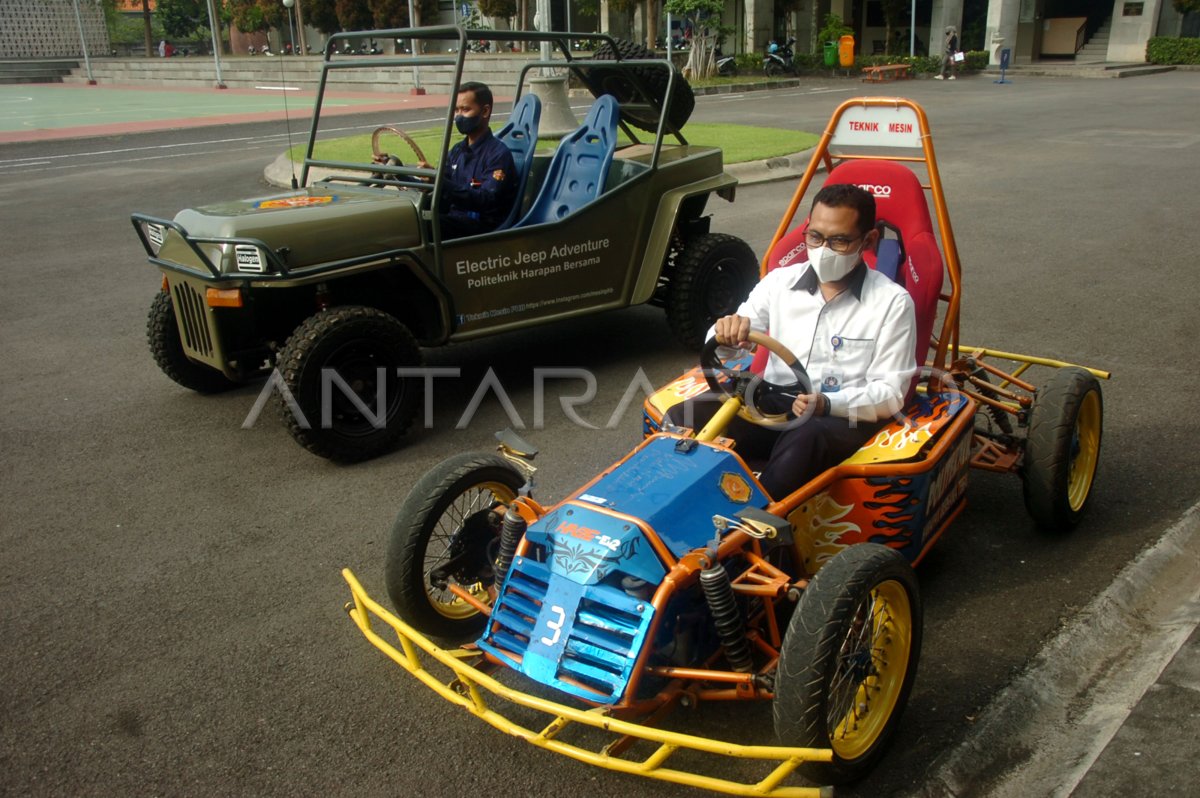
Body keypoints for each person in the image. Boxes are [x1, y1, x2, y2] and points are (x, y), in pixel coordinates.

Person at [664, 184, 918, 500]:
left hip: (836, 415)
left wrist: (828, 402)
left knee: (805, 438)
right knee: (681, 417)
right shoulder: (780, 283)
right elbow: (723, 345)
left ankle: (753, 530)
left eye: (838, 240)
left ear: (868, 241)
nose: (823, 249)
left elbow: (891, 393)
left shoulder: (892, 303)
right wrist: (725, 332)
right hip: (771, 400)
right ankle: (668, 500)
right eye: (815, 237)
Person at [417, 81, 517, 239]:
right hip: (456, 219)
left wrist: (440, 180)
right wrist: (399, 173)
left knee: (419, 225)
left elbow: (486, 200)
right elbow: (441, 189)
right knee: (409, 215)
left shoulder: (498, 154)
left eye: (465, 109)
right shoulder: (457, 150)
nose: (458, 116)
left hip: (481, 227)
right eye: (456, 110)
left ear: (485, 111)